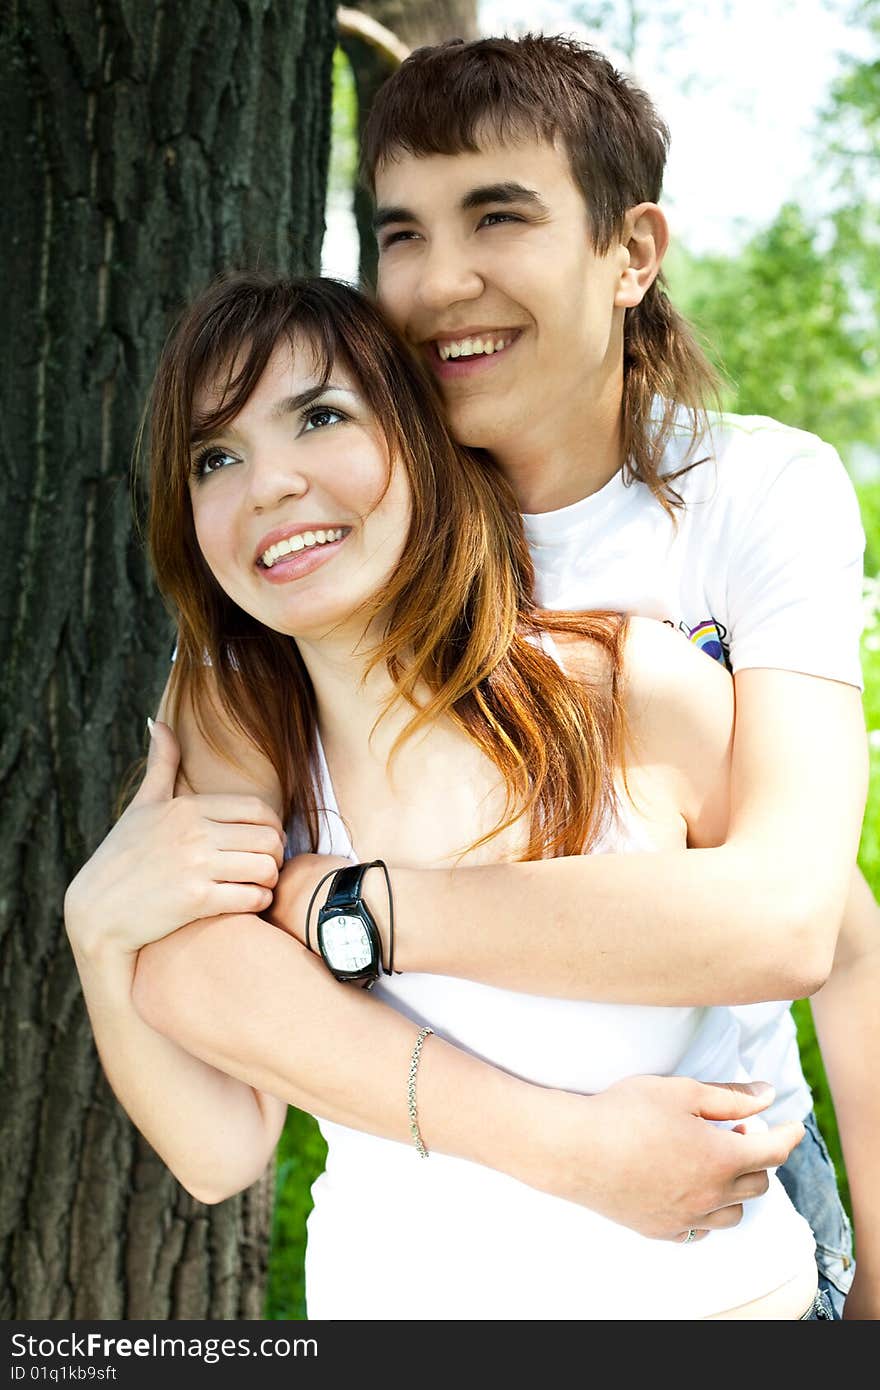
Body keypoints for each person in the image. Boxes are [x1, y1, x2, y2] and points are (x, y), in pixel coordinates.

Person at [66, 271, 826, 1319]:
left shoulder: (627, 691)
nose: (269, 483)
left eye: (320, 416)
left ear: (421, 438)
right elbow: (219, 1150)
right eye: (215, 457)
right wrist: (99, 941)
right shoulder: (240, 742)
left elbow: (825, 934)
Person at [273, 33, 878, 1317]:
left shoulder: (756, 493)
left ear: (630, 253)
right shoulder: (316, 527)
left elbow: (799, 922)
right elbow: (204, 969)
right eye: (399, 234)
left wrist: (364, 913)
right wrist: (566, 1149)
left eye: (500, 216)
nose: (440, 283)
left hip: (724, 1249)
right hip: (416, 1260)